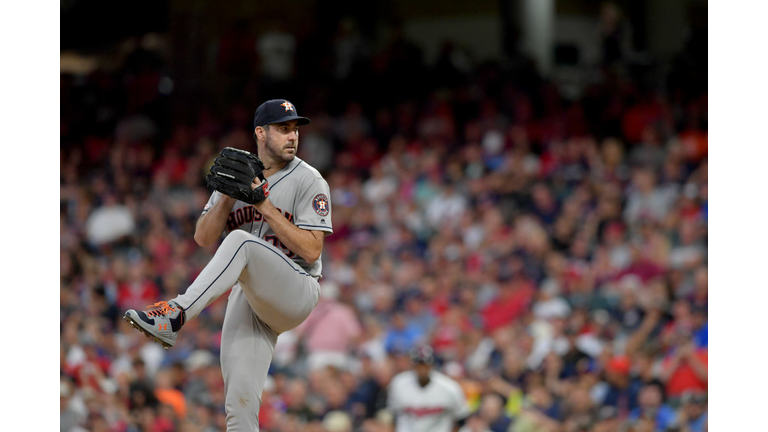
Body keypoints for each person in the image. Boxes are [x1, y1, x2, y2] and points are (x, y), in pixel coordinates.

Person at [124, 99, 333, 431]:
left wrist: (264, 206)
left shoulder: (309, 180)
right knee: (239, 406)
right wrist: (225, 196)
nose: (292, 136)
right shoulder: (240, 172)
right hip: (253, 297)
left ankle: (174, 314)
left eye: (294, 129)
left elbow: (312, 251)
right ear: (260, 134)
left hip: (297, 288)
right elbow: (203, 237)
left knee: (241, 242)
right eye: (283, 129)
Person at [387, 346, 470, 432]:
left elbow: (461, 417)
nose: (422, 369)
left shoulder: (449, 387)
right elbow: (392, 415)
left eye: (425, 365)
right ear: (413, 365)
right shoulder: (398, 384)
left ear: (432, 365)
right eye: (419, 365)